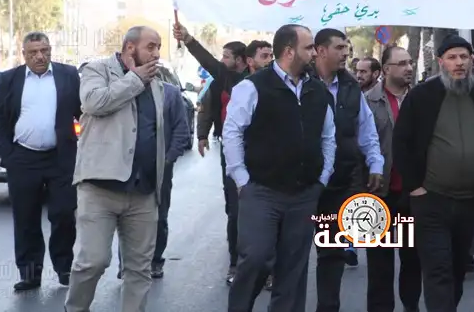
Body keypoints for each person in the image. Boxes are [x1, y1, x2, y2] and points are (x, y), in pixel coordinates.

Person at [64, 26, 191, 312]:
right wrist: (134, 79)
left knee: (139, 269)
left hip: (144, 192)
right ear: (130, 47)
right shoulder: (97, 70)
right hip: (100, 188)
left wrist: (162, 167)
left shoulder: (156, 84)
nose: (156, 53)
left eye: (159, 47)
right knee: (92, 262)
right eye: (151, 46)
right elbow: (93, 102)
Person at [223, 24, 336, 312]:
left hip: (304, 194)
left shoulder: (317, 91)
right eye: (308, 47)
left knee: (293, 270)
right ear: (289, 51)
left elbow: (328, 137)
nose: (315, 53)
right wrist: (242, 180)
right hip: (261, 191)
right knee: (256, 258)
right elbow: (232, 132)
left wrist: (322, 178)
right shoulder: (252, 87)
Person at [393, 35, 474, 311]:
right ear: (441, 62)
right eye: (452, 58)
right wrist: (415, 186)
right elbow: (401, 142)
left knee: (457, 269)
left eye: (464, 57)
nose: (459, 63)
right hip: (431, 200)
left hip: (469, 201)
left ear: (472, 60)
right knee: (438, 268)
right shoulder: (422, 96)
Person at [0, 31, 81, 291]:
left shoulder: (68, 75)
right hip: (23, 158)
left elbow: (83, 111)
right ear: (24, 55)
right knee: (26, 218)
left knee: (64, 214)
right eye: (33, 52)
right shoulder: (10, 79)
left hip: (60, 158)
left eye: (44, 50)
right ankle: (30, 274)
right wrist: (8, 154)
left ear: (50, 50)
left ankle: (64, 269)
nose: (40, 56)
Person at [311, 28, 384, 312]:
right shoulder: (301, 82)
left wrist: (375, 163)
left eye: (347, 48)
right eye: (339, 48)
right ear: (320, 50)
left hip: (338, 183)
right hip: (301, 183)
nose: (346, 53)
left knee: (331, 253)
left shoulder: (351, 87)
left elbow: (366, 129)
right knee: (289, 255)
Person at [172, 25, 249, 285]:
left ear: (241, 60)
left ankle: (266, 266)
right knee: (234, 209)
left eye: (227, 56)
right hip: (231, 149)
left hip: (259, 152)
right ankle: (236, 263)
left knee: (259, 210)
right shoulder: (222, 80)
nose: (222, 60)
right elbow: (207, 107)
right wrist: (203, 134)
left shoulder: (256, 80)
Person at [365, 45, 422, 312]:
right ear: (386, 69)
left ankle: (411, 305)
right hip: (378, 195)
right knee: (380, 264)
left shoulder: (422, 100)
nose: (409, 68)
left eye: (410, 63)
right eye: (402, 64)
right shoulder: (367, 101)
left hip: (412, 194)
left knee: (412, 259)